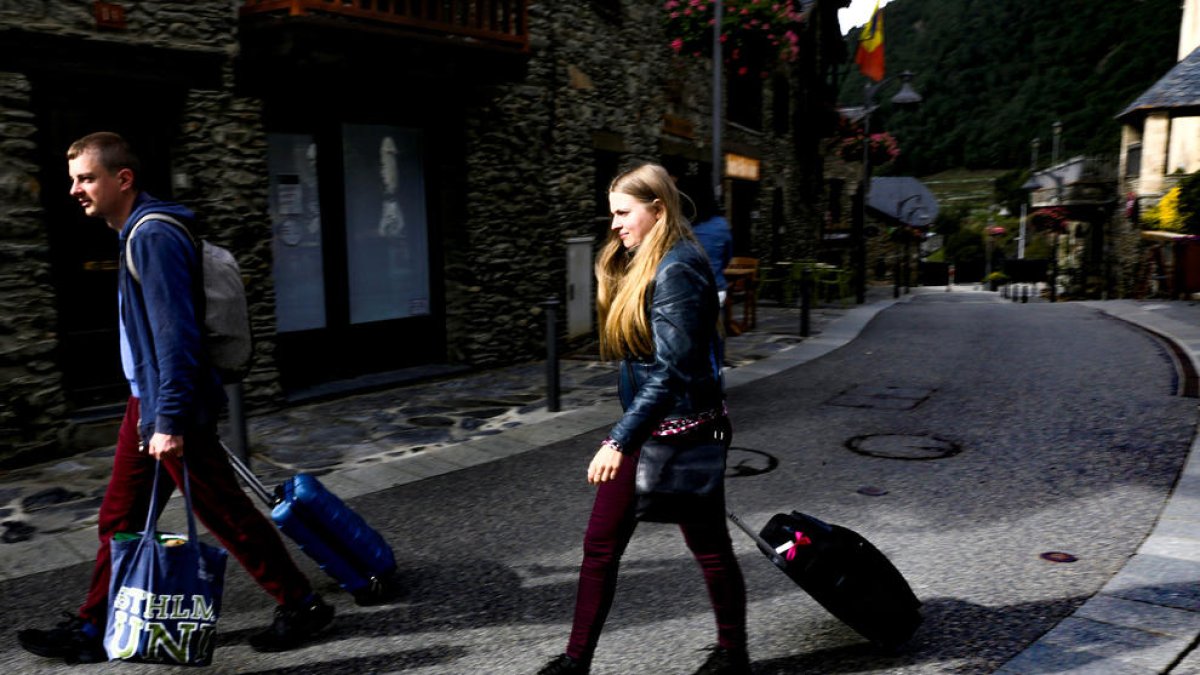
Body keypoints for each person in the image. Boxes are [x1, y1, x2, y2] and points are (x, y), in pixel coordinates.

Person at [17, 132, 334, 664]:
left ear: (123, 179)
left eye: (87, 178)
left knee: (224, 514)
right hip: (147, 402)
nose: (75, 189)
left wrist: (169, 422)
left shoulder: (152, 236)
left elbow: (177, 338)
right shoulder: (135, 231)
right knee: (120, 519)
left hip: (169, 407)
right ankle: (92, 627)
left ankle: (301, 604)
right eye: (72, 179)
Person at [538, 163, 749, 675]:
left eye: (623, 212)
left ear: (658, 209)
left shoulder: (676, 268)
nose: (613, 224)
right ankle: (730, 652)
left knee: (610, 546)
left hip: (671, 430)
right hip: (675, 423)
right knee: (697, 546)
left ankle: (578, 662)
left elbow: (673, 368)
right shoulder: (656, 259)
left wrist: (618, 440)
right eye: (612, 213)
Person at [683, 176, 734, 306]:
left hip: (686, 290)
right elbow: (727, 258)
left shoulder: (682, 225)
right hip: (716, 289)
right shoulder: (721, 225)